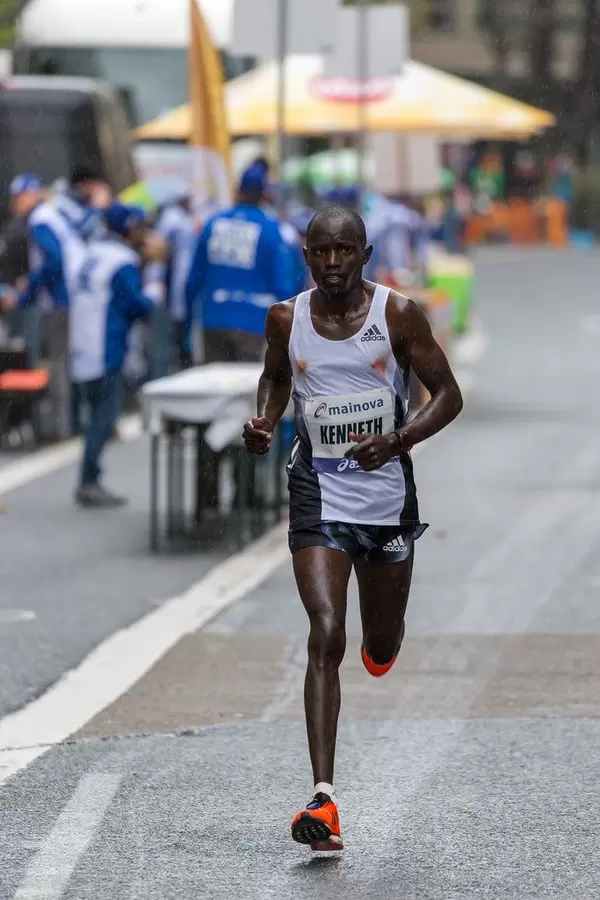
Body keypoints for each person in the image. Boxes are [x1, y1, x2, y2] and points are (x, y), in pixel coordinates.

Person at [243, 206, 463, 851]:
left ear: (365, 254)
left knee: (381, 639)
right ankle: (323, 800)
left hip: (387, 498)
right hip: (319, 491)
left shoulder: (397, 315)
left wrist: (395, 441)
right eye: (321, 252)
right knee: (326, 632)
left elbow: (447, 394)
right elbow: (275, 379)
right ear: (306, 257)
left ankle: (384, 643)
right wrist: (264, 421)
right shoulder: (286, 318)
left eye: (345, 251)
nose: (333, 263)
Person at [70, 202, 157, 508]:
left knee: (95, 413)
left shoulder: (91, 252)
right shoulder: (121, 259)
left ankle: (89, 476)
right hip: (105, 345)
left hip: (82, 340)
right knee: (103, 417)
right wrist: (154, 291)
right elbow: (134, 304)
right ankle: (89, 479)